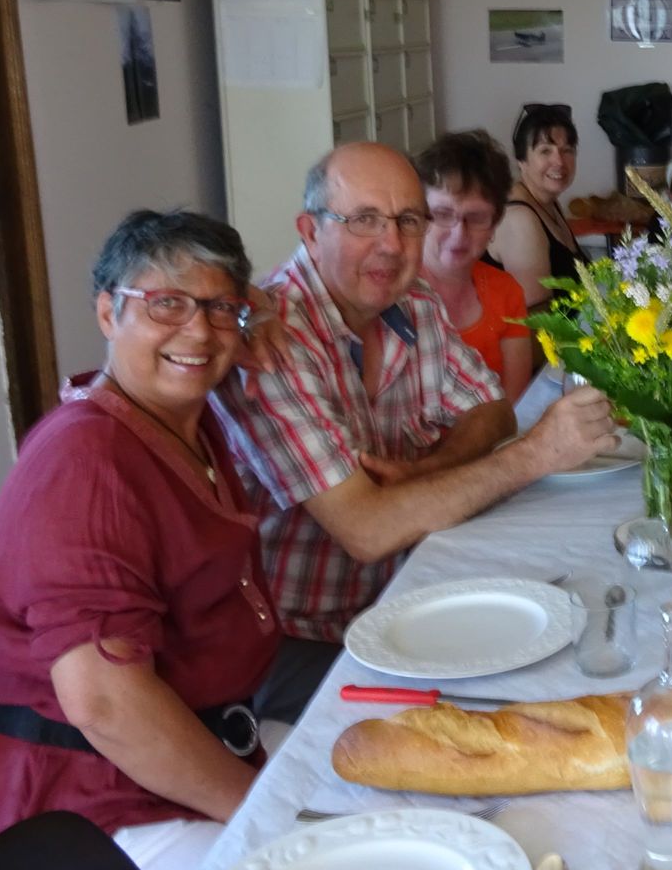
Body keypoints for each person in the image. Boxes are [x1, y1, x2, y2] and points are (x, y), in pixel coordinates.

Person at [217, 143, 617, 721]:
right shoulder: (271, 344)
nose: (392, 244)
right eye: (363, 220)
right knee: (511, 713)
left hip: (403, 594)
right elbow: (367, 529)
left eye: (408, 220)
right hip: (297, 642)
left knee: (579, 649)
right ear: (310, 231)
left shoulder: (413, 301)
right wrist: (536, 455)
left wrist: (424, 471)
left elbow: (491, 410)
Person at [0, 210, 278, 870]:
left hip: (191, 750)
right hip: (93, 806)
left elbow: (253, 311)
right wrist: (264, 813)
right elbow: (107, 705)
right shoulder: (87, 463)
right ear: (109, 313)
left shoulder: (180, 420)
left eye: (219, 309)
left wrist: (247, 318)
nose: (197, 331)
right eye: (165, 304)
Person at [413, 130, 532, 404]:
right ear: (419, 215)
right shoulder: (394, 294)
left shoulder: (506, 292)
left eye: (476, 217)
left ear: (495, 224)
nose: (459, 234)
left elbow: (514, 407)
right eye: (442, 214)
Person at [488, 102, 586, 314]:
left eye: (567, 150)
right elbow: (536, 317)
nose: (559, 161)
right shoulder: (519, 218)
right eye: (545, 151)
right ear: (522, 160)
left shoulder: (548, 202)